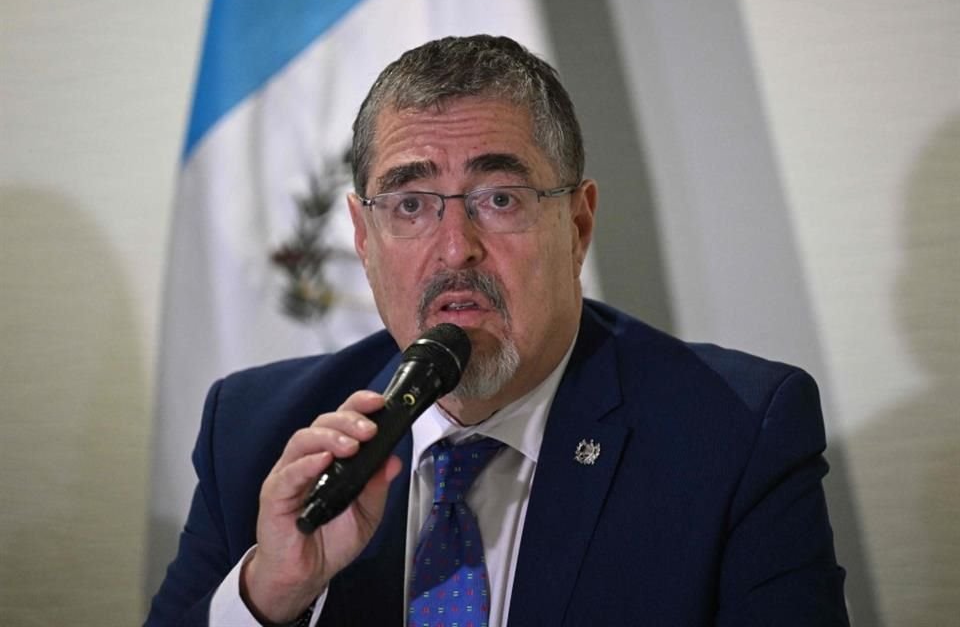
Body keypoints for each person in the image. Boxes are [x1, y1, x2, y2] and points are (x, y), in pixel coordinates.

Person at [147, 35, 849, 626]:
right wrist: (268, 595)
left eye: (500, 198)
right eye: (411, 204)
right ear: (363, 236)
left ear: (578, 224)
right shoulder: (256, 434)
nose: (456, 249)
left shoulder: (733, 433)